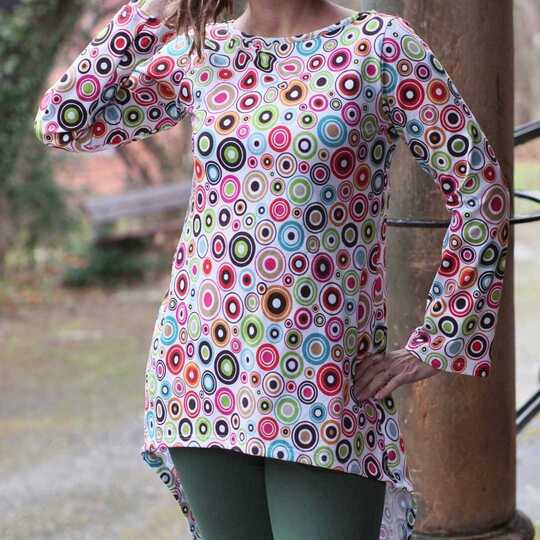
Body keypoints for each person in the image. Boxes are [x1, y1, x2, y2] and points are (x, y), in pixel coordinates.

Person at [34, 0, 511, 539]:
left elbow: (481, 190)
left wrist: (442, 337)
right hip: (201, 372)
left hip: (322, 382)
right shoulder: (203, 51)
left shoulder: (380, 46)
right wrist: (153, 13)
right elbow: (62, 121)